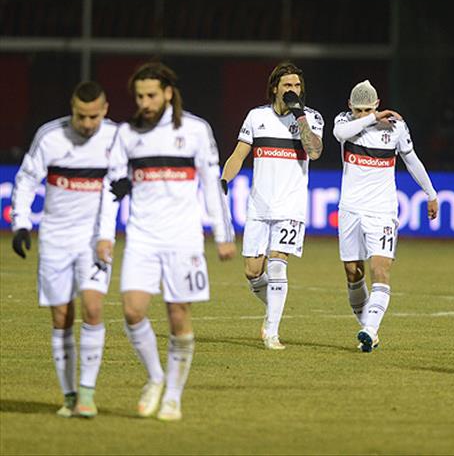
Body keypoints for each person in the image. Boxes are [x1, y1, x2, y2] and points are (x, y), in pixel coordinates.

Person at [95, 62, 236, 421]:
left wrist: (223, 234)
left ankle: (173, 396)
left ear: (168, 93)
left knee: (178, 316)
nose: (144, 102)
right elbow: (113, 189)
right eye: (139, 96)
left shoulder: (195, 130)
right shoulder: (127, 134)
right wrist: (105, 235)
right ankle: (156, 378)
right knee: (132, 311)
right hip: (142, 237)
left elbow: (211, 183)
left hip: (183, 238)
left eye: (151, 95)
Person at [10, 82, 116, 418]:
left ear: (105, 110)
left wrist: (106, 235)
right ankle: (69, 396)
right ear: (72, 109)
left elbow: (116, 190)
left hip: (94, 239)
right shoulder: (50, 136)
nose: (87, 123)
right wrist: (21, 223)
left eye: (93, 117)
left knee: (93, 308)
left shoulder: (115, 138)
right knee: (61, 317)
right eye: (81, 116)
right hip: (55, 238)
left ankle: (87, 394)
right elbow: (27, 180)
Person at [220, 62, 323, 350]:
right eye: (288, 85)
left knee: (278, 265)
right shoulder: (257, 117)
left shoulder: (312, 117)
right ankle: (275, 307)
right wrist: (224, 179)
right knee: (253, 272)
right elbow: (238, 154)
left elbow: (314, 152)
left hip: (291, 205)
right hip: (259, 205)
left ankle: (272, 331)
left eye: (297, 86)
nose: (293, 90)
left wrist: (299, 116)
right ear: (275, 88)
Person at [333, 80, 438, 352]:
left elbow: (411, 160)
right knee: (353, 273)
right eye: (358, 110)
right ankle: (369, 328)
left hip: (382, 211)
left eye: (368, 109)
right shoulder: (344, 121)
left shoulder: (395, 128)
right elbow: (340, 134)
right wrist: (371, 118)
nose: (362, 114)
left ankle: (369, 330)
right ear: (349, 106)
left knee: (380, 269)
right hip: (350, 209)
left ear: (377, 104)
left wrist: (430, 193)